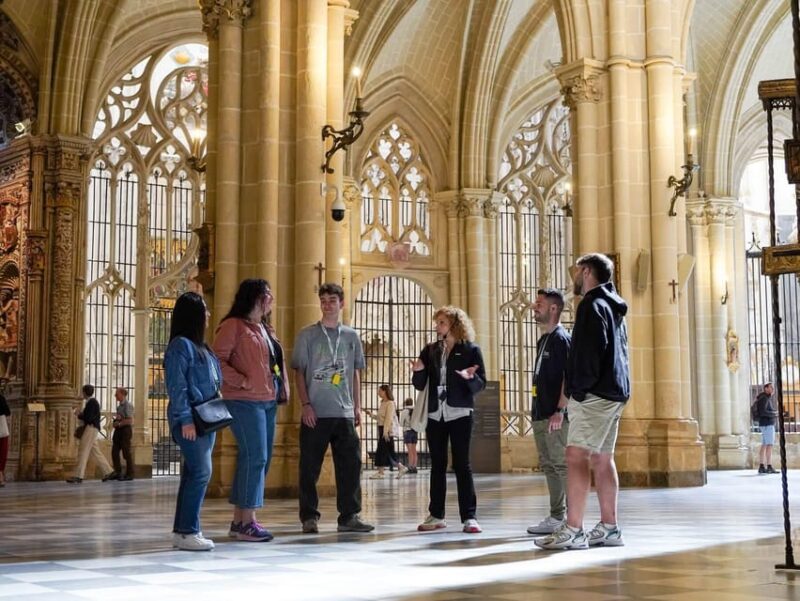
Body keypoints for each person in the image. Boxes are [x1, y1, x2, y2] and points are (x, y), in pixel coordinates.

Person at [535, 253, 630, 550]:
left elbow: (591, 353)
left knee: (575, 455)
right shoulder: (613, 305)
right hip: (615, 392)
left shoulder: (590, 304)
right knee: (602, 459)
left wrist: (577, 390)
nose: (573, 277)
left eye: (577, 271)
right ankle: (609, 527)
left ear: (587, 272)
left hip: (595, 395)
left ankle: (574, 529)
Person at [292, 282, 374, 534]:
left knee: (350, 466)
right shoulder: (307, 335)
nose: (327, 304)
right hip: (315, 412)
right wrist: (306, 405)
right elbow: (299, 372)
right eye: (324, 300)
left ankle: (349, 515)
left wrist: (357, 406)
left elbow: (355, 373)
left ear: (342, 304)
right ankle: (309, 517)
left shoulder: (350, 336)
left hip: (344, 412)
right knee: (309, 467)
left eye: (332, 300)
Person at [213, 279, 288, 542]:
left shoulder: (265, 329)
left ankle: (239, 520)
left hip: (267, 400)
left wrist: (280, 387)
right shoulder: (233, 326)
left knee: (259, 459)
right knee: (255, 456)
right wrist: (242, 380)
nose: (270, 298)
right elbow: (217, 361)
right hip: (243, 400)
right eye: (265, 294)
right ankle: (248, 521)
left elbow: (275, 362)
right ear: (252, 297)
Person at [412, 306, 486, 534]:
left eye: (441, 322)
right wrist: (418, 372)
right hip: (436, 413)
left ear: (454, 325)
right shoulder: (430, 350)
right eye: (437, 323)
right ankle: (436, 515)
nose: (437, 326)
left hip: (460, 413)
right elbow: (419, 384)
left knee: (462, 464)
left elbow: (480, 383)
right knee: (437, 464)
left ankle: (469, 517)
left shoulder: (471, 350)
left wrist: (469, 378)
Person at [164, 291, 220, 551]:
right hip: (191, 419)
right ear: (193, 315)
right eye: (204, 310)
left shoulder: (202, 347)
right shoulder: (180, 346)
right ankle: (189, 531)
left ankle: (182, 531)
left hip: (207, 418)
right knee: (201, 472)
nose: (208, 314)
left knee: (191, 474)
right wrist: (185, 419)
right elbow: (177, 387)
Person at [527, 288, 571, 535]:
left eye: (540, 303)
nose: (535, 306)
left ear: (553, 309)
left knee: (560, 464)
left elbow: (568, 377)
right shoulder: (543, 340)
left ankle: (570, 518)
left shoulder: (562, 339)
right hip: (540, 413)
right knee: (548, 464)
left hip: (555, 414)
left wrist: (560, 410)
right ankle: (556, 516)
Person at [66, 385, 115, 484]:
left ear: (84, 392)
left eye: (82, 391)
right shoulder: (92, 402)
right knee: (96, 452)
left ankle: (78, 476)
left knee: (83, 451)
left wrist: (79, 414)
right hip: (92, 428)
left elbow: (88, 418)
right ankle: (109, 471)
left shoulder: (91, 403)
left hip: (91, 428)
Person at [365, 384, 408, 479]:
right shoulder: (383, 403)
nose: (378, 392)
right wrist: (371, 415)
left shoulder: (390, 403)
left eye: (379, 391)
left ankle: (383, 472)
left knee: (384, 451)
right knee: (386, 451)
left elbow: (388, 419)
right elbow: (381, 418)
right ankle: (397, 468)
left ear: (385, 391)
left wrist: (385, 432)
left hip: (387, 431)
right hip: (382, 429)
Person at [105, 387, 134, 481]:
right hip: (118, 431)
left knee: (126, 452)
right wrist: (115, 422)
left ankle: (130, 474)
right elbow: (119, 418)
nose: (115, 396)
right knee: (114, 452)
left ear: (122, 394)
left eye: (117, 394)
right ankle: (118, 472)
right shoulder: (119, 407)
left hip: (125, 431)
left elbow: (130, 420)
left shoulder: (128, 405)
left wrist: (120, 423)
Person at [755, 382, 778, 474]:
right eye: (771, 387)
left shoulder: (764, 398)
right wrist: (774, 414)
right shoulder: (764, 398)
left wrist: (774, 412)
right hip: (767, 424)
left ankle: (761, 466)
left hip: (765, 424)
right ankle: (769, 466)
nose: (773, 389)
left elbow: (766, 411)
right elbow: (763, 412)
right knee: (769, 445)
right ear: (766, 388)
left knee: (764, 445)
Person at [399, 397, 418, 473]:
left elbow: (400, 423)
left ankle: (410, 466)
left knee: (409, 451)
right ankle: (414, 466)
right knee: (414, 450)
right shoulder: (416, 410)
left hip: (407, 431)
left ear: (405, 403)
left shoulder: (404, 411)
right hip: (415, 431)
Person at [0, 381, 9, 487]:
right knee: (2, 453)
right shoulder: (1, 398)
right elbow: (7, 412)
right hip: (1, 427)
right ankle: (0, 476)